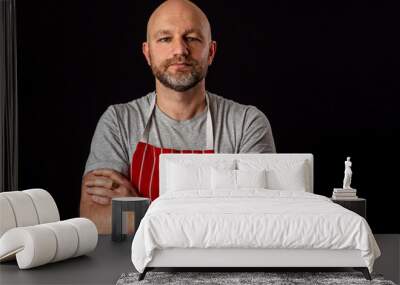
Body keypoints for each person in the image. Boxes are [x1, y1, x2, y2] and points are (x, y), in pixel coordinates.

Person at [80, 0, 276, 233]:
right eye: (165, 39)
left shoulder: (246, 123)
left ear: (211, 52)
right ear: (147, 53)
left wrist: (141, 210)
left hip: (220, 267)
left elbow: (256, 221)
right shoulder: (119, 122)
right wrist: (212, 216)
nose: (180, 50)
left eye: (191, 38)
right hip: (135, 266)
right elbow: (95, 219)